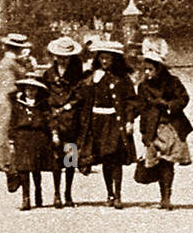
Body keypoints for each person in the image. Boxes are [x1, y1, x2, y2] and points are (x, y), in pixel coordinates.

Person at [78, 39, 137, 208]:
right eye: (102, 58)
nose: (105, 61)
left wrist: (130, 120)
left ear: (114, 59)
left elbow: (132, 101)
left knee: (115, 158)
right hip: (97, 122)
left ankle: (118, 194)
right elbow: (82, 96)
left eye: (108, 58)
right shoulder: (92, 77)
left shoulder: (122, 78)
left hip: (114, 122)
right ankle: (109, 193)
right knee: (104, 158)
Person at [136, 41, 192, 210]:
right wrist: (144, 132)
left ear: (158, 68)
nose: (147, 72)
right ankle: (163, 194)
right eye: (145, 69)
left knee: (168, 162)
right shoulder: (143, 86)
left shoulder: (172, 82)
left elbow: (184, 99)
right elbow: (143, 109)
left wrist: (167, 105)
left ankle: (166, 197)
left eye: (150, 69)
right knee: (155, 163)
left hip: (171, 126)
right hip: (153, 128)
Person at [42, 36, 84, 207]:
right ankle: (57, 193)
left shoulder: (76, 73)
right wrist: (52, 110)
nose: (62, 60)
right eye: (59, 56)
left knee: (70, 159)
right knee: (55, 159)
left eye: (66, 57)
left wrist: (68, 106)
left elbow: (80, 94)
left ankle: (68, 193)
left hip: (71, 120)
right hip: (54, 121)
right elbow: (44, 95)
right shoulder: (48, 74)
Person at [0, 32, 32, 176]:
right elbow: (11, 86)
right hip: (9, 100)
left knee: (1, 128)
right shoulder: (10, 63)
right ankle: (3, 161)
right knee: (5, 129)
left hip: (3, 99)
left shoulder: (8, 62)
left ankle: (2, 160)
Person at [8, 77, 57, 210]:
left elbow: (49, 120)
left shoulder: (42, 104)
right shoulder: (18, 104)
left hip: (38, 138)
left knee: (36, 168)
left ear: (37, 91)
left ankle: (38, 191)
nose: (30, 92)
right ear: (24, 90)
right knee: (24, 169)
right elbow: (12, 123)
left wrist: (54, 133)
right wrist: (11, 141)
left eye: (33, 89)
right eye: (28, 89)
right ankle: (26, 197)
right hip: (22, 138)